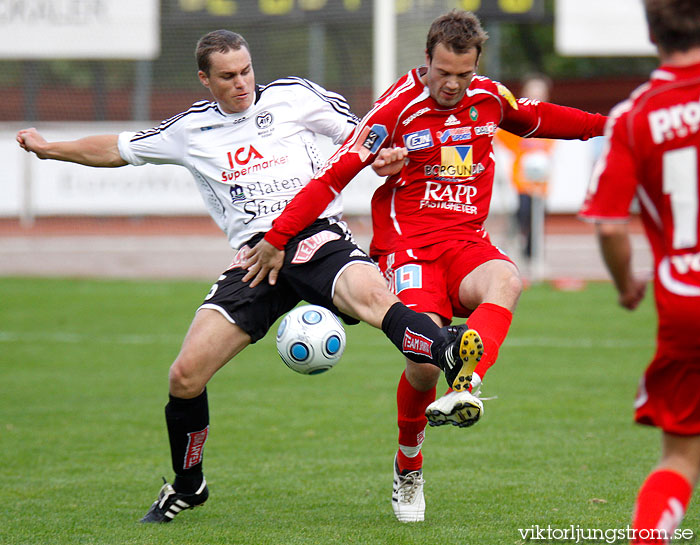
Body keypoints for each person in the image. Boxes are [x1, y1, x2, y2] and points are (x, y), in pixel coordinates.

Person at [15, 30, 481, 523]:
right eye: (227, 76)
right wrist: (51, 149)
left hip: (316, 236)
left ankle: (451, 353)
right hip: (257, 259)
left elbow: (362, 132)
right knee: (185, 375)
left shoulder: (294, 97)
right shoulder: (190, 130)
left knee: (373, 298)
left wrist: (385, 155)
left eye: (246, 71)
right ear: (204, 79)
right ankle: (189, 485)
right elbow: (116, 147)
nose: (241, 83)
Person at [244, 10, 607, 523]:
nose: (453, 85)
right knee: (420, 364)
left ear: (475, 64)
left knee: (507, 279)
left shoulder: (489, 97)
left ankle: (466, 384)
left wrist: (611, 126)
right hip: (407, 249)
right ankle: (408, 464)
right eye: (443, 73)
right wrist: (279, 236)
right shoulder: (395, 110)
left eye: (463, 73)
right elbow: (332, 178)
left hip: (464, 242)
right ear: (427, 61)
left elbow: (543, 118)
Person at [579, 1, 700, 542]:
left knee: (679, 459)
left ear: (651, 32)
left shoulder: (633, 117)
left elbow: (608, 226)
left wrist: (628, 284)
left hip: (684, 298)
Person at [495, 74, 555, 263]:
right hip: (522, 180)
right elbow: (500, 134)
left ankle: (533, 254)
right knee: (524, 212)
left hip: (541, 180)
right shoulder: (518, 120)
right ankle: (518, 246)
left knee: (539, 217)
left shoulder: (549, 119)